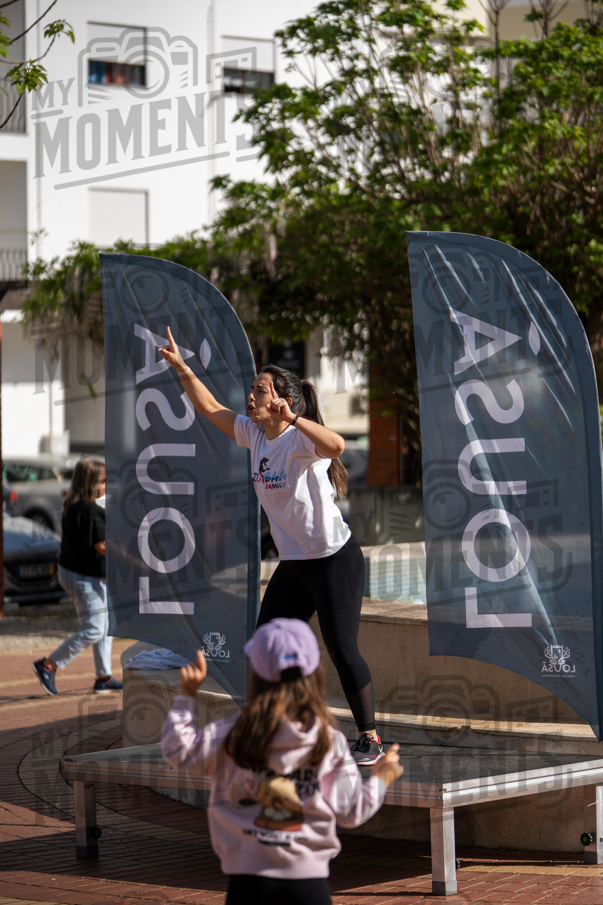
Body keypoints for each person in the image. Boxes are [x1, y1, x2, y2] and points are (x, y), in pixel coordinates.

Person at [160, 328, 381, 765]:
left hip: (335, 559)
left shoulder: (298, 437)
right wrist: (183, 368)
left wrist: (296, 418)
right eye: (253, 388)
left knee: (341, 647)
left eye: (260, 390)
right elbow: (210, 408)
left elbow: (336, 445)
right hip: (295, 563)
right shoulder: (253, 435)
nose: (251, 395)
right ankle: (276, 725)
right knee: (264, 644)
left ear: (281, 400)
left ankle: (369, 738)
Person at [162, 617, 403, 905]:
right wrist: (381, 778)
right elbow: (352, 812)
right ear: (314, 673)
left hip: (247, 884)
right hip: (308, 886)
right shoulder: (327, 741)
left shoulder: (231, 734)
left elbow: (178, 750)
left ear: (256, 672)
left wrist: (186, 695)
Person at [31, 457, 123, 696]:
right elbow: (102, 546)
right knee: (93, 628)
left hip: (86, 574)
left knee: (105, 626)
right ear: (90, 481)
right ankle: (48, 665)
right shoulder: (87, 509)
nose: (107, 484)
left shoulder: (81, 505)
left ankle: (103, 678)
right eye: (103, 480)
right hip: (82, 576)